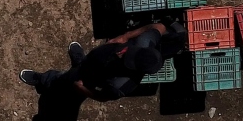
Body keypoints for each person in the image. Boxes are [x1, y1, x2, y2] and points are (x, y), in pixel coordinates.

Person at [19, 23, 175, 101]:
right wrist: (126, 36)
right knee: (86, 61)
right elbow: (159, 26)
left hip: (93, 75)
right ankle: (80, 60)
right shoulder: (145, 42)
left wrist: (82, 89)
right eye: (128, 53)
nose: (121, 54)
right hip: (98, 56)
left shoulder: (123, 84)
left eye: (126, 60)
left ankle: (44, 79)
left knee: (65, 79)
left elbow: (102, 97)